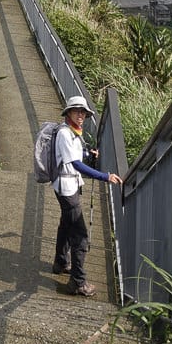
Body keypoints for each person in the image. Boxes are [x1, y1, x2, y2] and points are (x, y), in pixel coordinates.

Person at [52, 95, 122, 297]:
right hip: (66, 188)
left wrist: (88, 154)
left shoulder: (74, 133)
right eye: (77, 111)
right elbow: (74, 163)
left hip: (68, 184)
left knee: (66, 224)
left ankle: (61, 262)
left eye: (83, 112)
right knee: (80, 235)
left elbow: (75, 155)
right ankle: (78, 282)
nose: (81, 115)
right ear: (68, 113)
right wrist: (104, 176)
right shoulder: (65, 133)